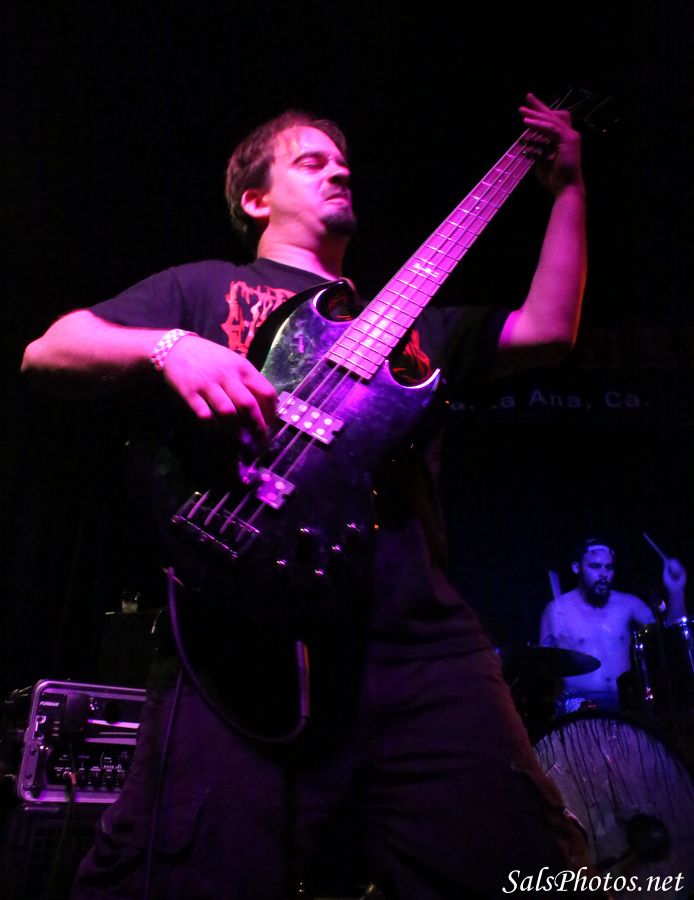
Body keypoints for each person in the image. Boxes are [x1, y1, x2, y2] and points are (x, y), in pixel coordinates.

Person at [22, 95, 595, 899]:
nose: (339, 171)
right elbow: (48, 350)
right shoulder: (208, 288)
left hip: (419, 646)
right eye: (311, 161)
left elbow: (548, 330)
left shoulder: (412, 331)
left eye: (344, 163)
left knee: (527, 869)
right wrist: (169, 346)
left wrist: (568, 187)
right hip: (238, 642)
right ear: (256, 199)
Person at [539, 538, 687, 713]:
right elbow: (541, 669)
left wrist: (676, 591)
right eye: (595, 566)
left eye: (609, 567)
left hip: (625, 706)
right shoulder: (557, 609)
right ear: (576, 567)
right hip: (579, 709)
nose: (603, 573)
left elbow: (670, 639)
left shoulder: (629, 604)